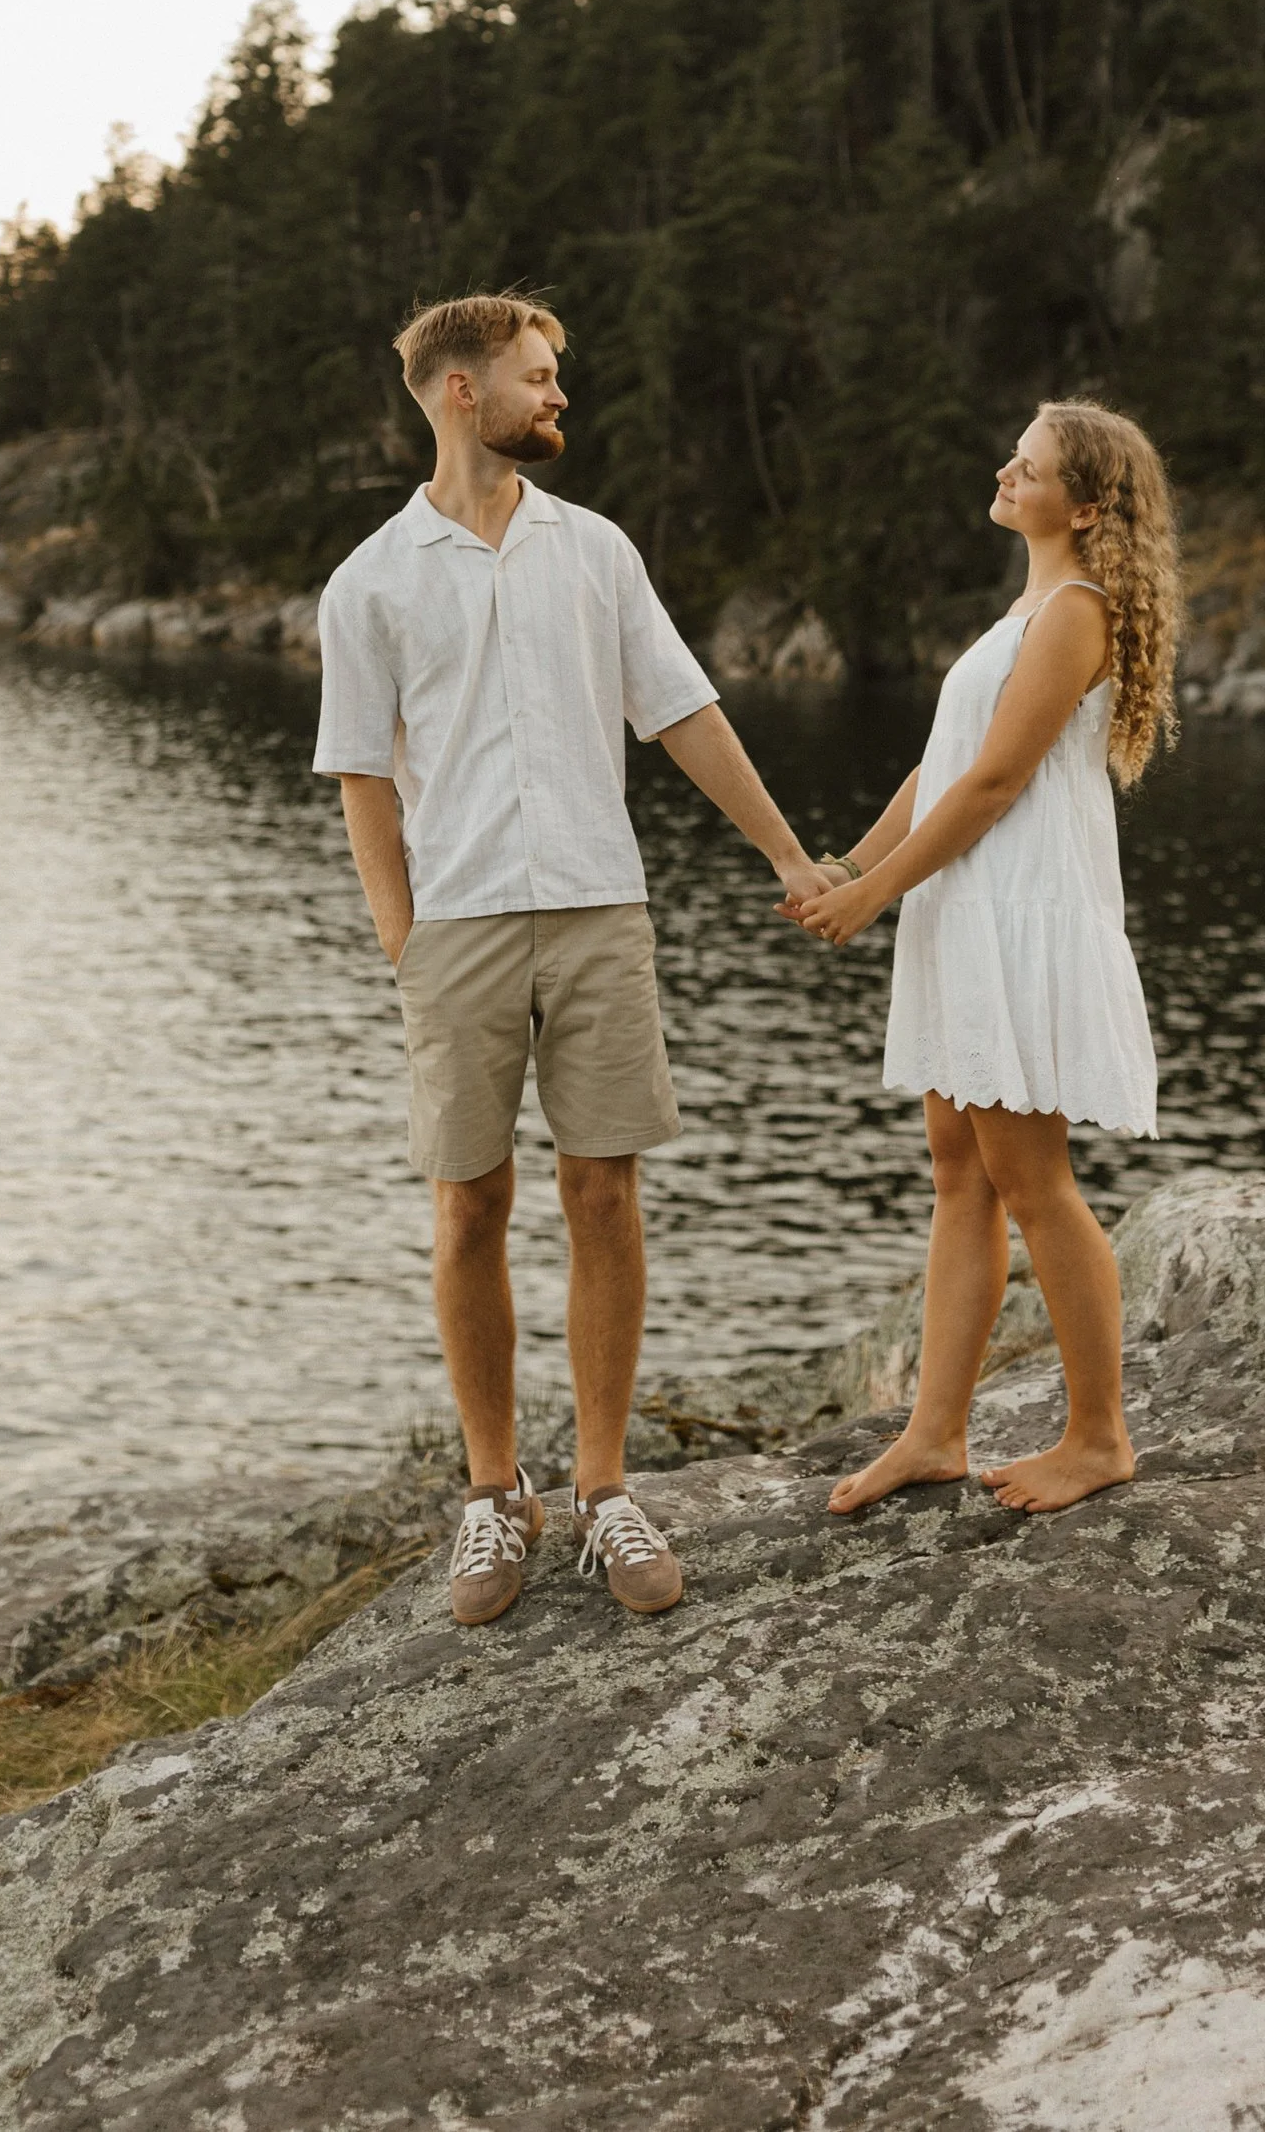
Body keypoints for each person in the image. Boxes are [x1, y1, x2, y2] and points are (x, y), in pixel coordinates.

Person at [315, 290, 822, 1627]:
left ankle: (603, 1490)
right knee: (468, 1207)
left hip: (601, 909)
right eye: (539, 377)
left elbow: (684, 711)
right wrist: (402, 942)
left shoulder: (595, 551)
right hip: (459, 929)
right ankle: (496, 1494)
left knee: (604, 1191)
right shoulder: (369, 580)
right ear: (462, 391)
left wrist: (784, 852)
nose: (560, 397)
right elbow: (364, 777)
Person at [783, 398, 1179, 1516]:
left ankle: (1099, 1437)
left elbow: (997, 786)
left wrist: (872, 895)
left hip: (1017, 912)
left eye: (1032, 465)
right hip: (966, 906)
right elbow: (945, 764)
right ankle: (934, 1433)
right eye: (1014, 456)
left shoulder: (1074, 611)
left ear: (1086, 505)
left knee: (1032, 1183)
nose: (1006, 470)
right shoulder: (1028, 606)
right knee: (959, 1173)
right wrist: (842, 864)